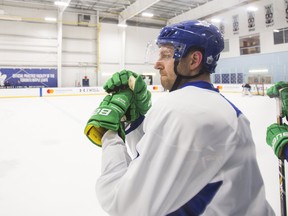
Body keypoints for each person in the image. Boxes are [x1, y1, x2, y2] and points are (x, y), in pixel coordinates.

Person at [84, 20, 275, 215]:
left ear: (194, 60)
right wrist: (138, 121)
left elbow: (123, 203)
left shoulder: (179, 109)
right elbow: (164, 162)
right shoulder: (232, 113)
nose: (157, 64)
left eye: (166, 55)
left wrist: (110, 132)